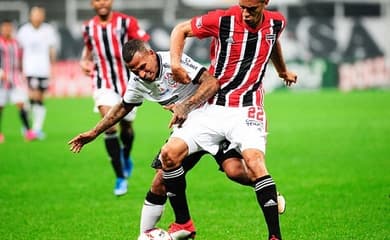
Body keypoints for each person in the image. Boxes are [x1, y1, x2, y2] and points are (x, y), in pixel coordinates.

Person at [161, 0, 298, 239]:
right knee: (169, 155)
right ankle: (184, 223)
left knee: (252, 164)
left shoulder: (277, 22)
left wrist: (281, 70)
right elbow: (180, 30)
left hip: (247, 108)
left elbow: (272, 42)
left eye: (251, 9)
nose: (245, 13)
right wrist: (175, 63)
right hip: (212, 106)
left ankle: (275, 236)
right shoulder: (223, 20)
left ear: (265, 3)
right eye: (242, 6)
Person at [79, 0, 150, 196]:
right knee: (110, 125)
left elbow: (143, 45)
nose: (101, 3)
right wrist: (84, 62)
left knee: (126, 127)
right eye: (97, 0)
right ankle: (120, 177)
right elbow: (88, 50)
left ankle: (125, 155)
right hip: (103, 82)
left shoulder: (127, 23)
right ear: (92, 3)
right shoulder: (88, 27)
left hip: (129, 84)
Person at [17, 6, 58, 139]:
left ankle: (35, 128)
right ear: (30, 16)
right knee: (34, 96)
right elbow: (19, 50)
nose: (38, 17)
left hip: (44, 69)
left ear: (43, 16)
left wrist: (53, 66)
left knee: (39, 99)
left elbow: (51, 49)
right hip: (29, 69)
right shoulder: (24, 31)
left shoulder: (48, 30)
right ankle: (30, 127)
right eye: (35, 14)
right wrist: (19, 67)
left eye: (40, 14)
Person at [0, 19, 37, 143]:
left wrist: (23, 73)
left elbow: (21, 59)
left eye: (9, 27)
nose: (7, 30)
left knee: (21, 105)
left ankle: (28, 131)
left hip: (15, 79)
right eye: (5, 27)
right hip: (1, 80)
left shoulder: (16, 43)